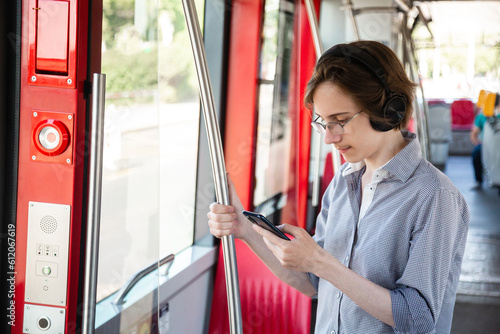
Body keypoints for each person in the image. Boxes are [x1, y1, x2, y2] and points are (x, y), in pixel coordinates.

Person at [208, 41, 469, 333]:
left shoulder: (435, 197)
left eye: (340, 121)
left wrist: (321, 262)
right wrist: (244, 228)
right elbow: (313, 283)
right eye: (323, 124)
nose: (330, 138)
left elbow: (417, 318)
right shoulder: (343, 183)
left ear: (389, 111)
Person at [470, 112, 487, 189]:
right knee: (476, 153)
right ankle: (478, 180)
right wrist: (477, 143)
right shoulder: (482, 116)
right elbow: (474, 134)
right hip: (485, 143)